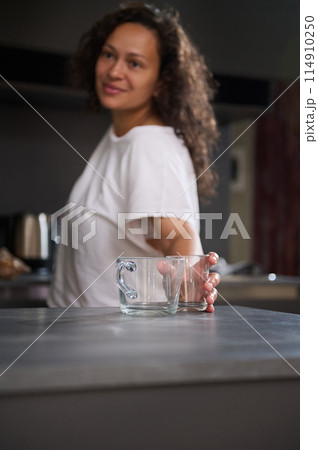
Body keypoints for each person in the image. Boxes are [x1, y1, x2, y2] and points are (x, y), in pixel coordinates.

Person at [48, 2, 220, 311]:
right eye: (109, 55)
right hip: (85, 340)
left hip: (114, 348)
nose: (114, 71)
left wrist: (189, 274)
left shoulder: (149, 144)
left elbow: (175, 235)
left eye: (135, 63)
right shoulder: (121, 136)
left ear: (161, 82)